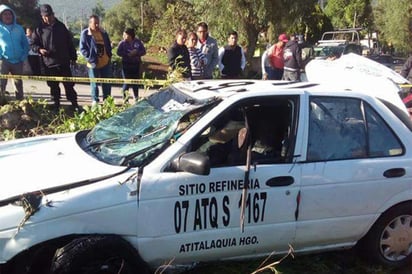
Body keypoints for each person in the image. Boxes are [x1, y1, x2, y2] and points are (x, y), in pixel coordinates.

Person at [31, 4, 79, 110]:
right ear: (42, 16)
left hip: (64, 62)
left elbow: (69, 43)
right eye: (45, 16)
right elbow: (33, 44)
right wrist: (40, 49)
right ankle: (56, 104)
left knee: (69, 85)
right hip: (49, 63)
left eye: (49, 15)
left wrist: (73, 58)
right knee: (53, 85)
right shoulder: (39, 29)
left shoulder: (61, 27)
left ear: (53, 14)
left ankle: (74, 104)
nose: (47, 18)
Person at [80, 15, 113, 106]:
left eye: (98, 23)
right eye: (95, 23)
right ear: (90, 23)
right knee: (94, 83)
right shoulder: (85, 33)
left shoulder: (103, 33)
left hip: (105, 62)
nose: (97, 25)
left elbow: (108, 46)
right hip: (93, 63)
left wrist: (109, 55)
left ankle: (107, 100)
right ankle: (95, 100)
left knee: (106, 83)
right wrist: (89, 58)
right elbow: (82, 49)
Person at [0, 4, 29, 100]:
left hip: (18, 61)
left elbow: (25, 44)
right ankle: (1, 104)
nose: (7, 16)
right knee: (1, 83)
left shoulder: (19, 28)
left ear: (13, 16)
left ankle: (20, 104)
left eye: (9, 14)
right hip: (3, 61)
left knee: (18, 84)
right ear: (1, 16)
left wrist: (23, 57)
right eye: (5, 14)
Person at [116, 27, 146, 100]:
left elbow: (144, 51)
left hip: (136, 65)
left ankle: (136, 98)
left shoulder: (138, 42)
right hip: (126, 65)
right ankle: (125, 99)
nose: (124, 37)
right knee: (126, 83)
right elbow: (118, 52)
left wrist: (136, 53)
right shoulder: (122, 43)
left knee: (135, 83)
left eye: (125, 35)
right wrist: (127, 54)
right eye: (123, 35)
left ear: (130, 35)